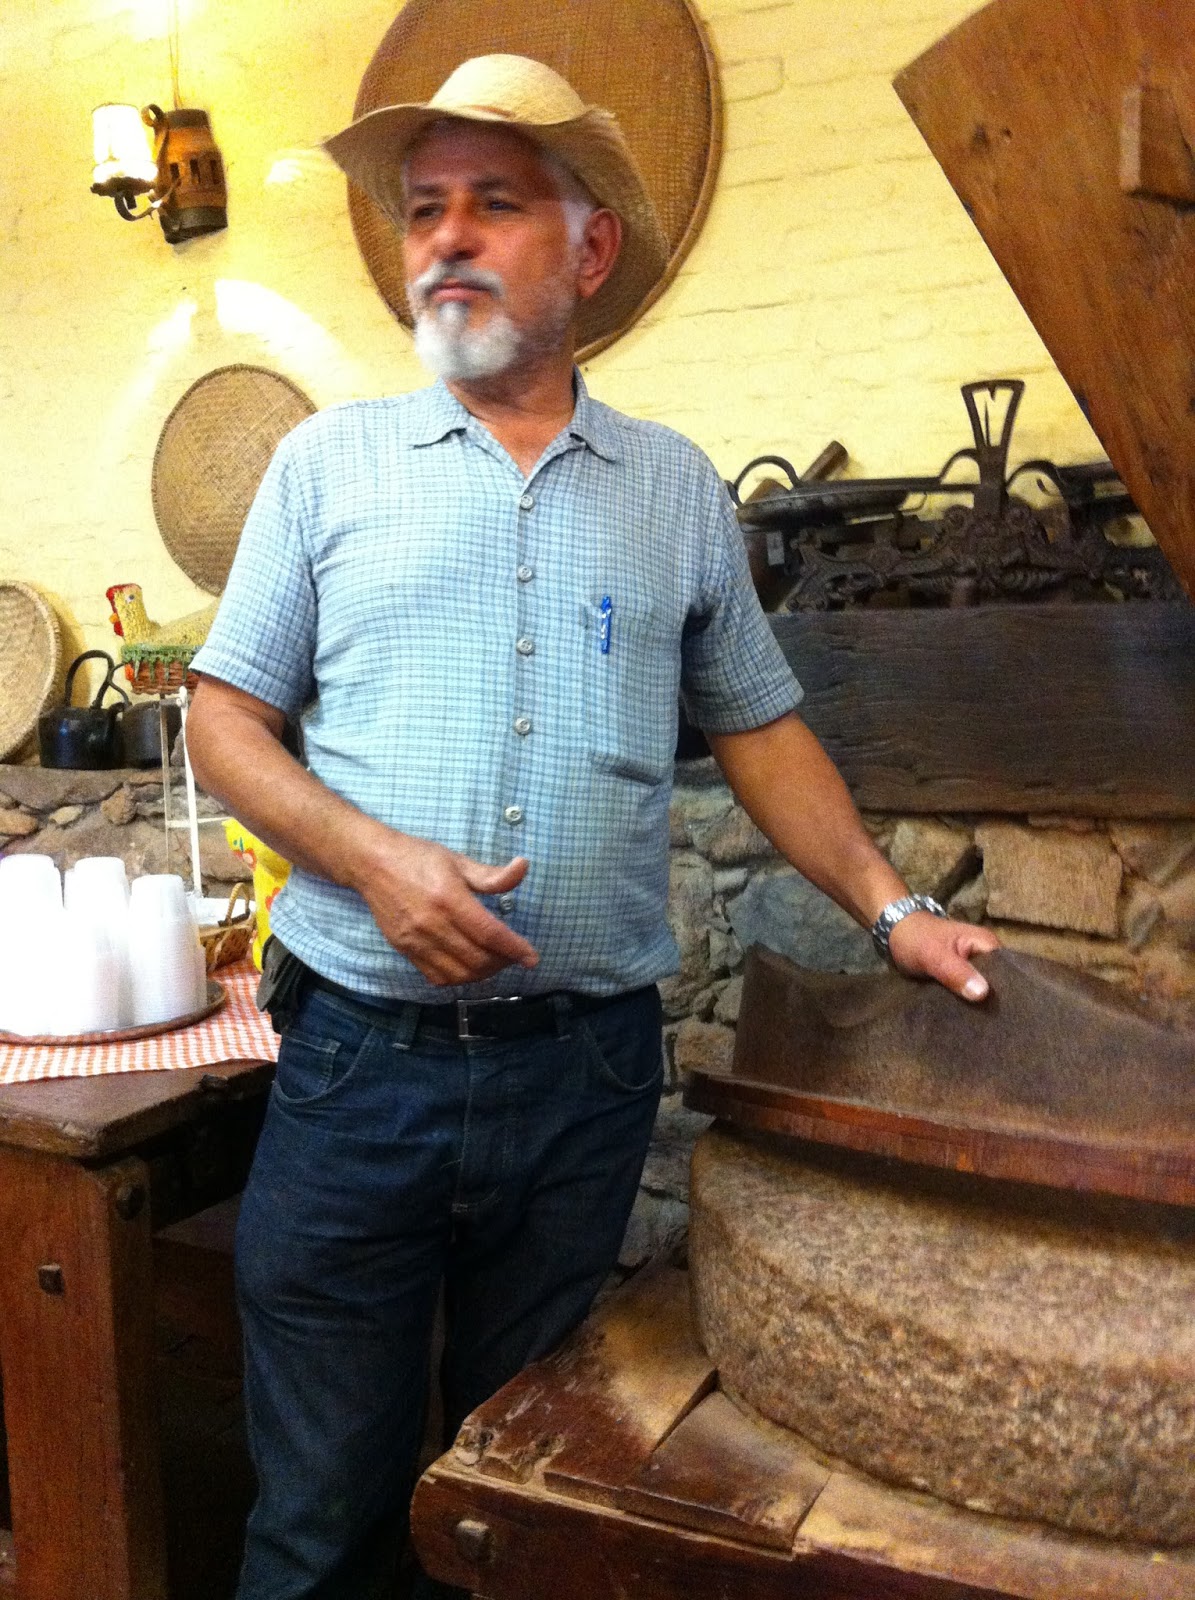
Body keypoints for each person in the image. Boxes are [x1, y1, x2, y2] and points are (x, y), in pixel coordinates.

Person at [186, 53, 999, 1600]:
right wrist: (371, 861)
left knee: (529, 1499)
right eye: (425, 207)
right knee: (319, 1526)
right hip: (361, 1068)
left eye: (493, 202)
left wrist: (894, 911)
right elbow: (221, 720)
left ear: (591, 246)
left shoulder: (676, 490)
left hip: (582, 1083)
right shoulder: (324, 466)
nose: (445, 237)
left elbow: (760, 728)